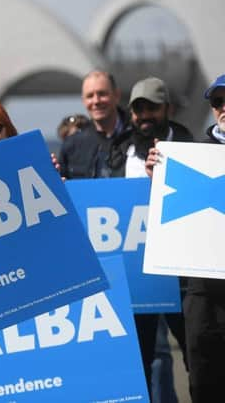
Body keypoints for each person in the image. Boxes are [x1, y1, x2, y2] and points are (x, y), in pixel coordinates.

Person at [105, 76, 192, 399]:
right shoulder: (118, 152)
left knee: (195, 355)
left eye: (152, 109)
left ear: (167, 109)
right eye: (138, 110)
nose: (144, 116)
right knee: (136, 363)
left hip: (180, 275)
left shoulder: (191, 147)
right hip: (135, 278)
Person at [147, 73, 225, 403]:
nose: (223, 108)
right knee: (204, 383)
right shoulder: (192, 155)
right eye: (218, 103)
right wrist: (159, 177)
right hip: (204, 296)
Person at [58, 71, 130, 178]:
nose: (96, 101)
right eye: (90, 96)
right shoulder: (71, 146)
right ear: (83, 100)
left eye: (102, 94)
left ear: (116, 95)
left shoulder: (137, 136)